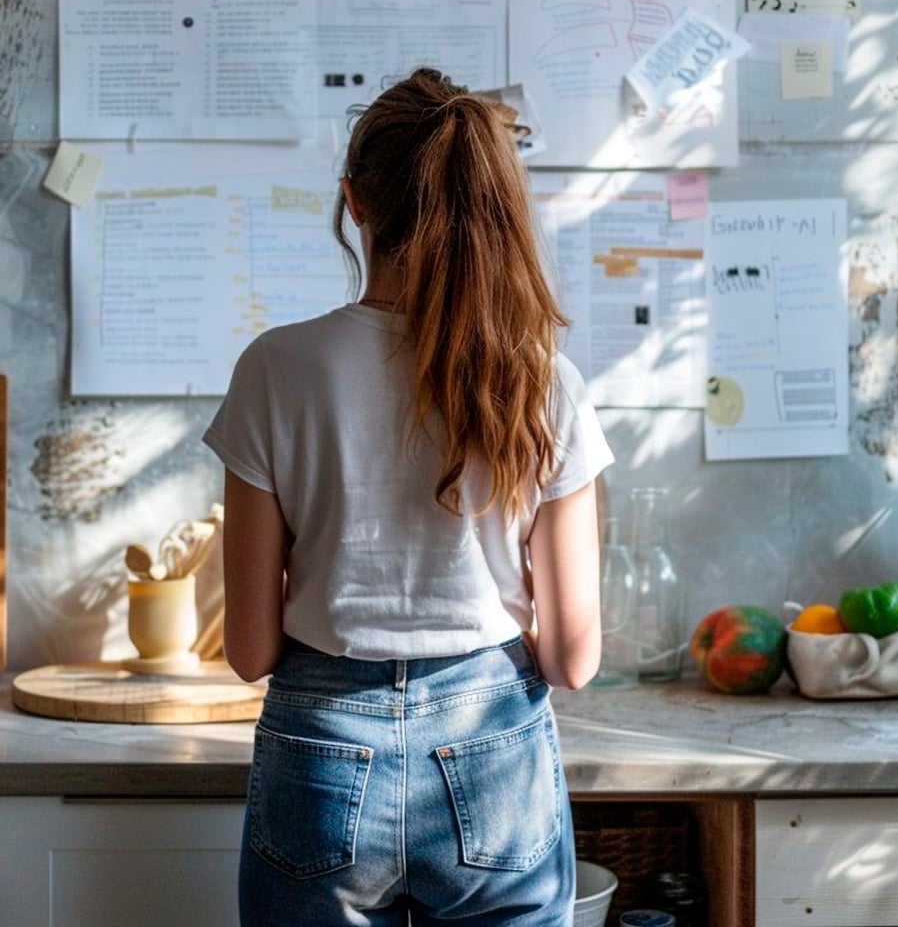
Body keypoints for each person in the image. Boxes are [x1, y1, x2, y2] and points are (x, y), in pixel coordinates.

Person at [203, 67, 614, 927]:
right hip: (491, 743)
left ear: (356, 202)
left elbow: (248, 648)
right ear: (491, 206)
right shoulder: (544, 382)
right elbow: (574, 660)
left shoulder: (276, 369)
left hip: (323, 742)